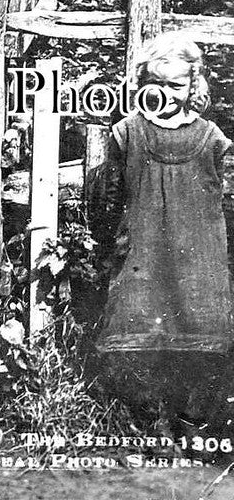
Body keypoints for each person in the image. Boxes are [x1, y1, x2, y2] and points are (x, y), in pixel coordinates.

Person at [90, 32, 234, 431]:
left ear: (194, 84)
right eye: (156, 84)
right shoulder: (128, 133)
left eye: (176, 85)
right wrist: (112, 245)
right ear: (143, 85)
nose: (167, 94)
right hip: (144, 253)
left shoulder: (212, 139)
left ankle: (195, 427)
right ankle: (149, 427)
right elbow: (109, 199)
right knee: (138, 337)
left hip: (198, 258)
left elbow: (225, 201)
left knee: (200, 339)